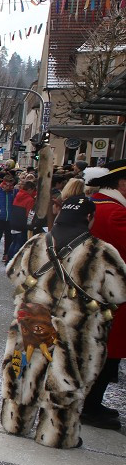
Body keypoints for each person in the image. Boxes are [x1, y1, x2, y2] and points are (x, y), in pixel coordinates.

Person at [0, 197, 126, 448]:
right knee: (65, 379)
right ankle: (54, 435)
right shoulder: (100, 251)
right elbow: (119, 293)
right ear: (89, 218)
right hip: (77, 326)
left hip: (35, 316)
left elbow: (13, 272)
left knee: (26, 371)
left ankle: (15, 422)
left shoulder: (37, 242)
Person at [80, 160, 126, 428]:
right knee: (105, 353)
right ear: (121, 184)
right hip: (111, 297)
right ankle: (90, 406)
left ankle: (92, 403)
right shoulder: (115, 213)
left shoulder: (100, 205)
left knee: (102, 351)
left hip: (97, 293)